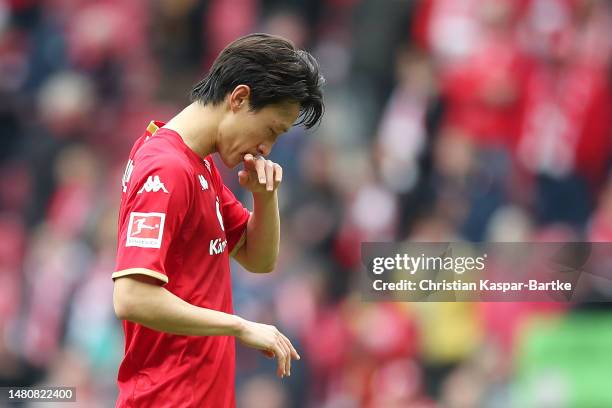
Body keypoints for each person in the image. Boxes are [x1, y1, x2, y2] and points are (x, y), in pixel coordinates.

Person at [112, 33, 324, 407]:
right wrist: (238, 325)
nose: (266, 149)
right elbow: (131, 297)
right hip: (167, 399)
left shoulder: (199, 163)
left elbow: (258, 259)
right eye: (271, 130)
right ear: (239, 98)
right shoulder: (167, 168)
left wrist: (264, 195)